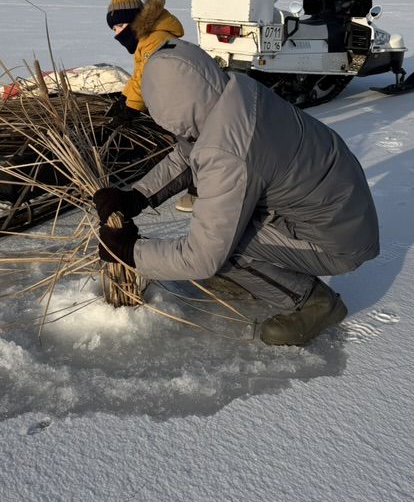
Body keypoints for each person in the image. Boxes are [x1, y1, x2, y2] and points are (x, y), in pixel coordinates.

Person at [93, 40, 380, 346]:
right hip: (342, 209)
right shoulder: (235, 94)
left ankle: (313, 302)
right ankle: (260, 279)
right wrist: (137, 196)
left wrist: (130, 252)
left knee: (227, 247)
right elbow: (189, 153)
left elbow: (204, 257)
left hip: (337, 240)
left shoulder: (227, 151)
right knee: (224, 231)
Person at [105, 0, 197, 211]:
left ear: (135, 21)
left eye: (120, 25)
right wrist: (124, 99)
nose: (117, 33)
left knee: (196, 142)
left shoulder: (154, 40)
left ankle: (201, 191)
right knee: (190, 143)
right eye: (113, 28)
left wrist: (131, 108)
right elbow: (138, 75)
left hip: (189, 99)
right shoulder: (146, 39)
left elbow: (146, 75)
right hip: (180, 97)